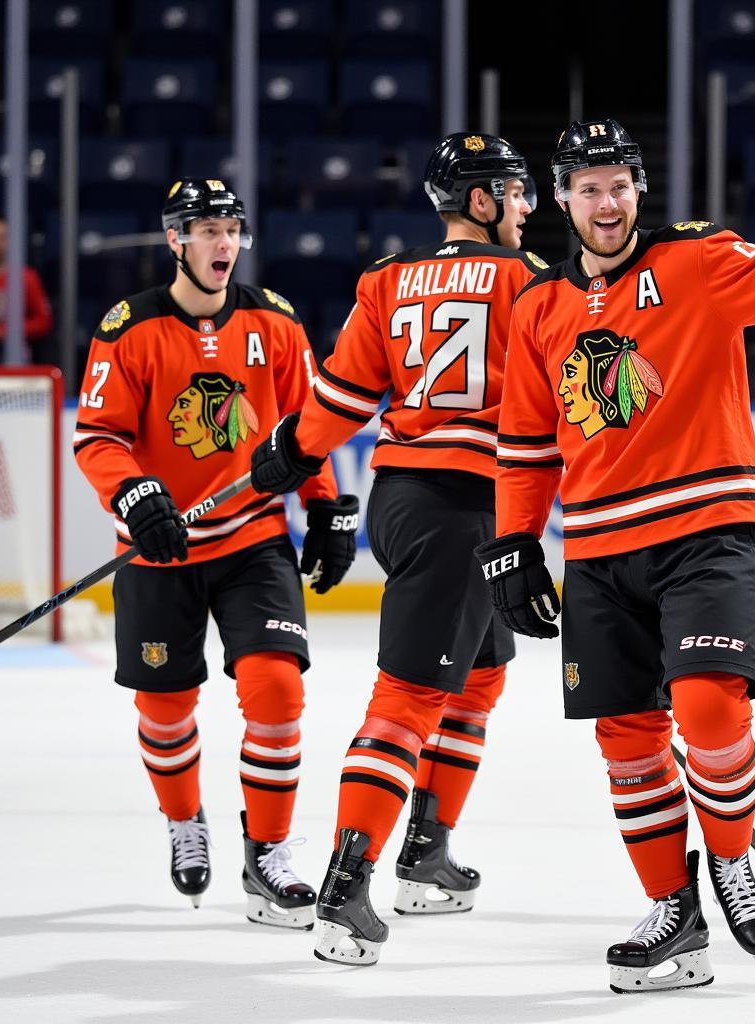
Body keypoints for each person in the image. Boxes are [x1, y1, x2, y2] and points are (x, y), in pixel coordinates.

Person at [474, 119, 755, 993]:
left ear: (638, 189)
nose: (605, 203)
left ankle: (727, 857)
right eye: (587, 188)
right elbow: (529, 442)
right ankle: (673, 917)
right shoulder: (539, 308)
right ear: (562, 200)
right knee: (628, 740)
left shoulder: (699, 261)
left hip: (705, 531)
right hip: (600, 550)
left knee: (711, 712)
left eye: (618, 185)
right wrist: (512, 545)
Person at [248, 132, 545, 965]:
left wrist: (293, 452)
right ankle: (348, 891)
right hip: (467, 507)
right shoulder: (533, 283)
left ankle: (428, 852)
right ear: (482, 201)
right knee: (408, 701)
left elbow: (340, 396)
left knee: (482, 671)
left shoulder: (386, 279)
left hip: (405, 497)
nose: (528, 207)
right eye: (516, 193)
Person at [74, 178, 359, 927]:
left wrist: (325, 507)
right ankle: (183, 820)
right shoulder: (128, 328)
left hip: (251, 538)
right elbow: (98, 436)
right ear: (175, 241)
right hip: (158, 550)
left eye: (232, 229)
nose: (222, 244)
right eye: (205, 231)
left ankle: (267, 855)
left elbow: (309, 427)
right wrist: (134, 496)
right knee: (165, 708)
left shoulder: (276, 322)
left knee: (276, 691)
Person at [0, 213, 53, 363]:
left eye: (2, 238)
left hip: (14, 353)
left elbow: (43, 321)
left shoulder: (27, 277)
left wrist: (2, 332)